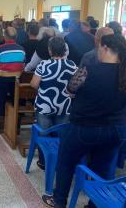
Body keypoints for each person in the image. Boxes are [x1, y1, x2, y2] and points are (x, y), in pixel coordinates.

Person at [43, 34, 126, 208]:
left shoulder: (88, 69)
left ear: (104, 48)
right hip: (115, 130)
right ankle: (94, 204)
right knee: (102, 169)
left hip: (83, 126)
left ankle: (59, 201)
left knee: (66, 163)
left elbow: (69, 90)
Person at [30, 37, 78, 170]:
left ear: (50, 50)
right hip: (64, 106)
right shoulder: (72, 65)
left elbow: (34, 84)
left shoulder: (44, 65)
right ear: (64, 49)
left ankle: (44, 162)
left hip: (45, 105)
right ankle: (59, 161)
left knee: (44, 134)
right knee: (61, 135)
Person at [0, 27, 25, 133]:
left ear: (5, 36)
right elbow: (23, 64)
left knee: (1, 99)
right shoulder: (21, 49)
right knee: (15, 100)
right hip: (16, 79)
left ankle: (1, 125)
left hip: (3, 78)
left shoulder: (0, 48)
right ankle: (16, 126)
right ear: (15, 37)